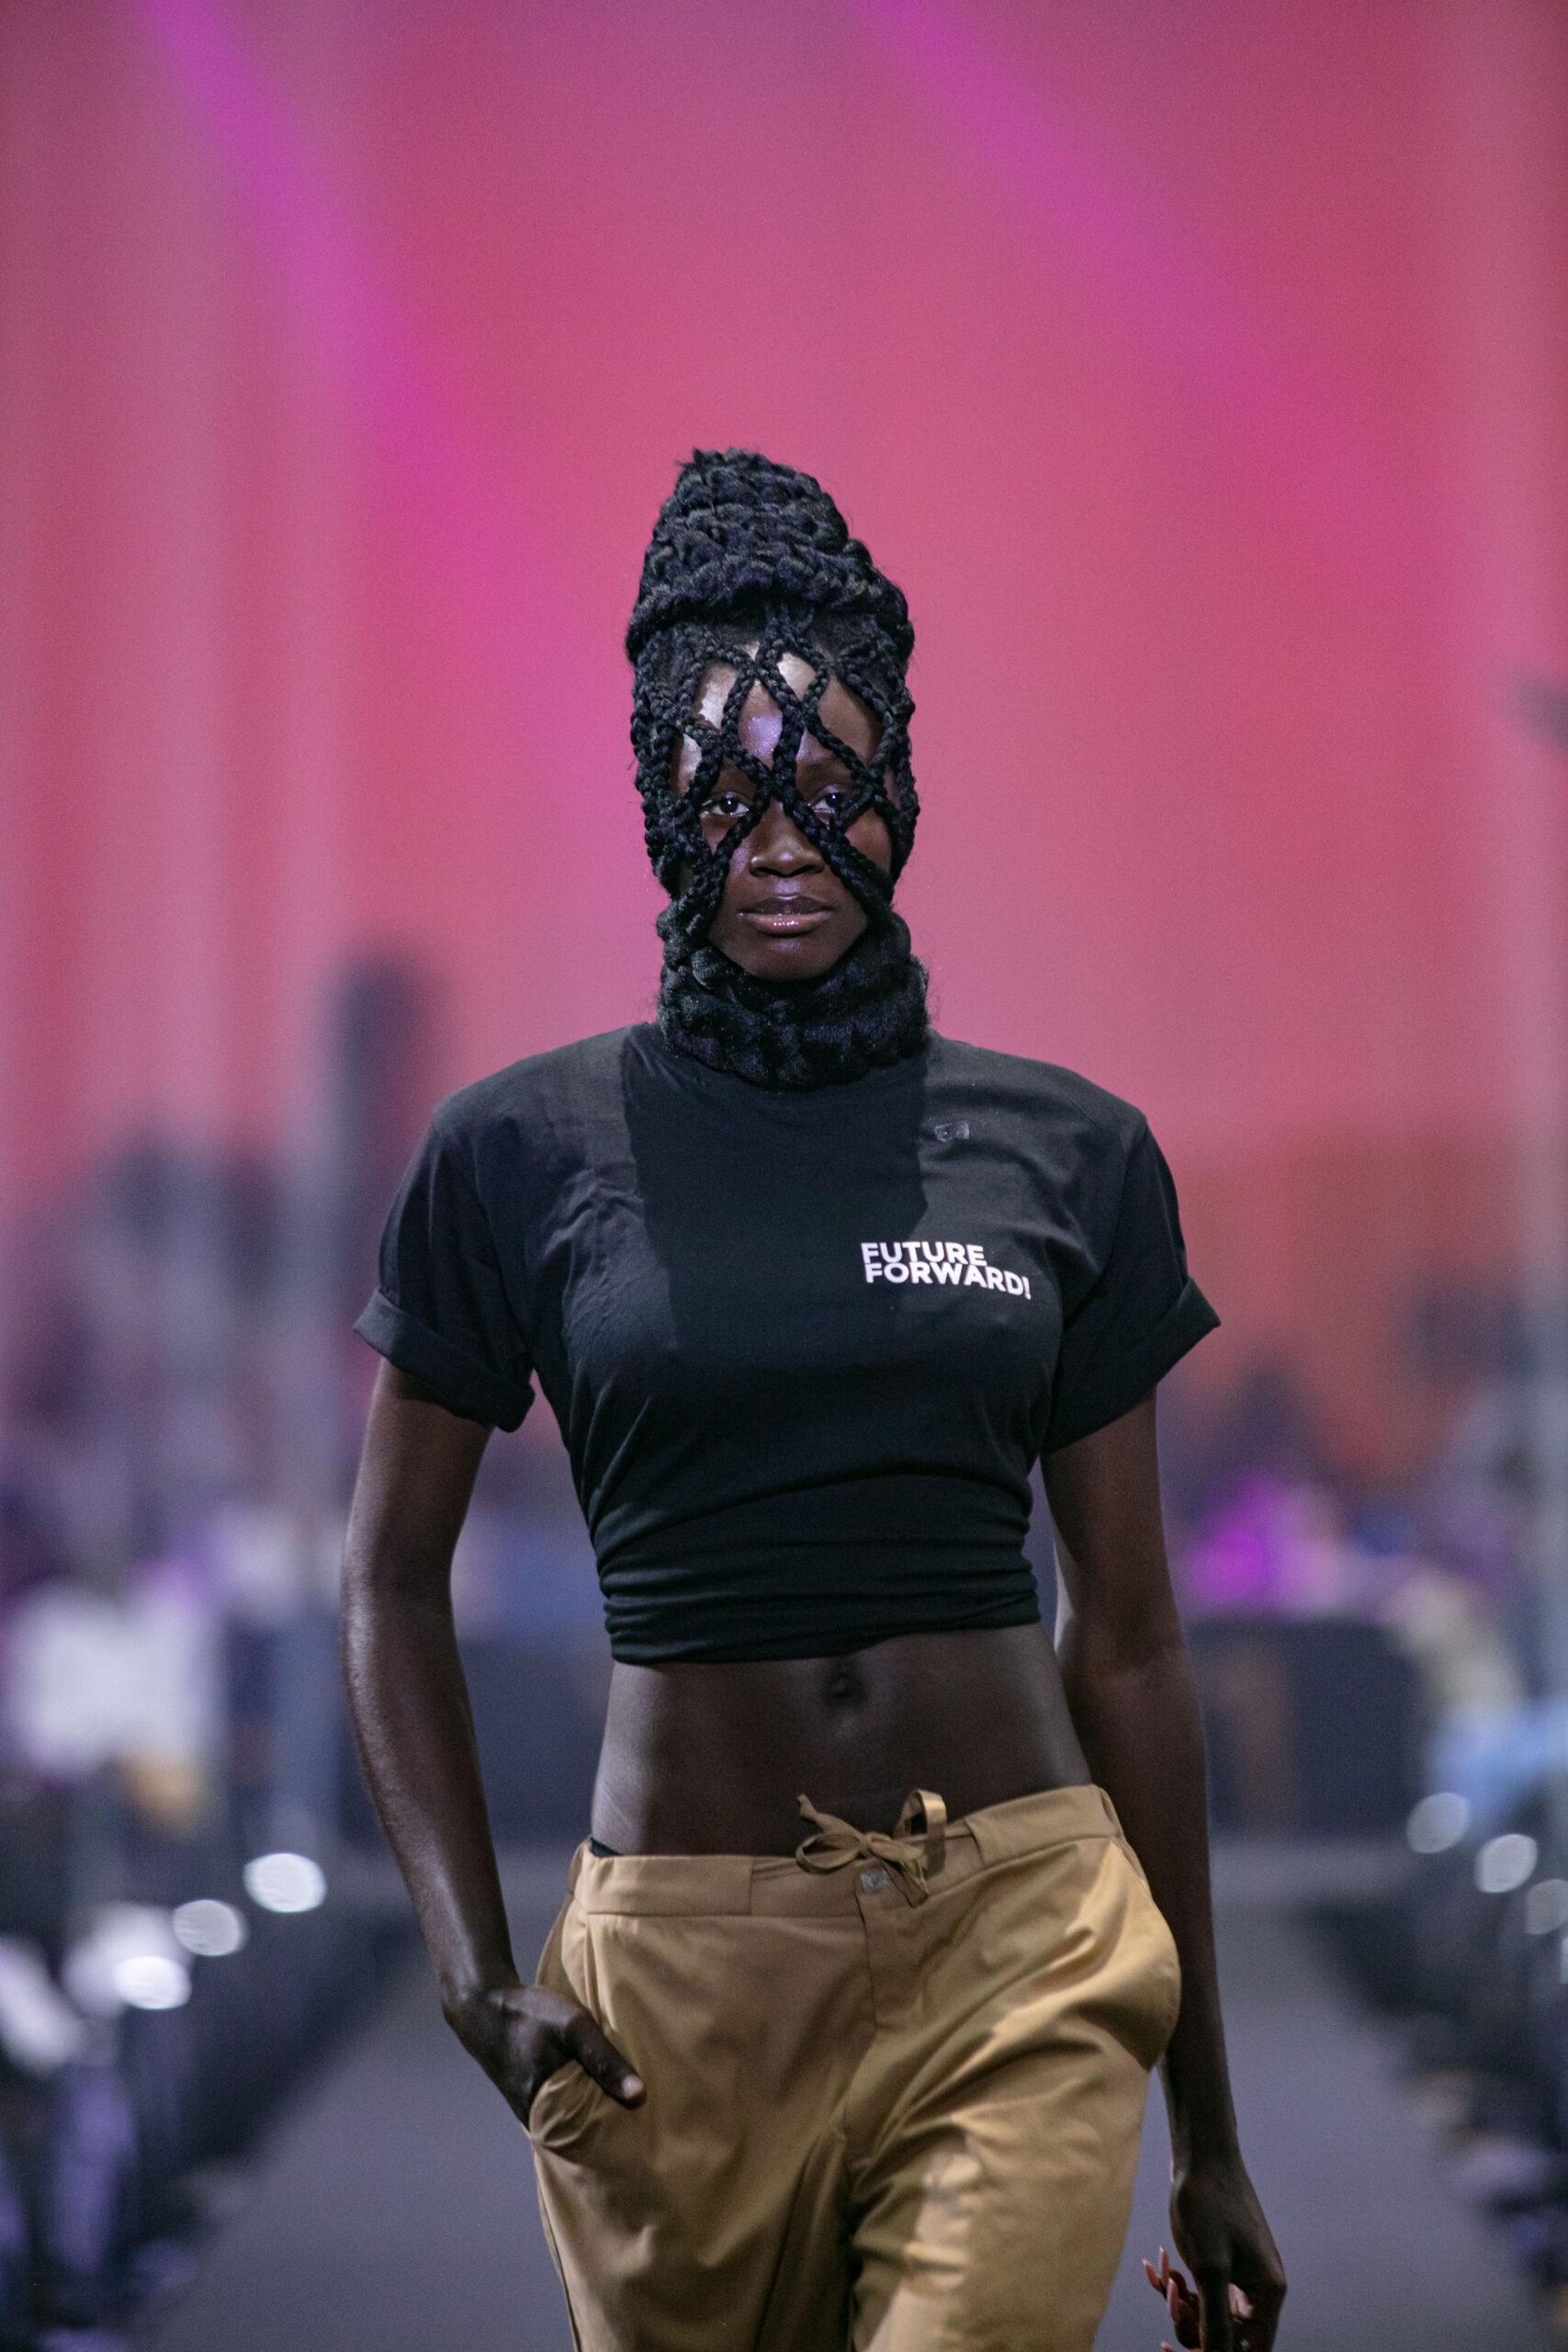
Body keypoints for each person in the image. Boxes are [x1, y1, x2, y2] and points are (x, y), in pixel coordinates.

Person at [342, 449, 1285, 2352]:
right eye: (727, 788)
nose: (781, 841)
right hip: (674, 1985)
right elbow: (385, 1578)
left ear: (899, 790)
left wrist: (1210, 2127)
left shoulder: (1068, 1150)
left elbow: (1127, 1634)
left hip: (1017, 1936)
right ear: (657, 800)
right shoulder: (516, 1151)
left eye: (829, 784)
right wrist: (467, 1971)